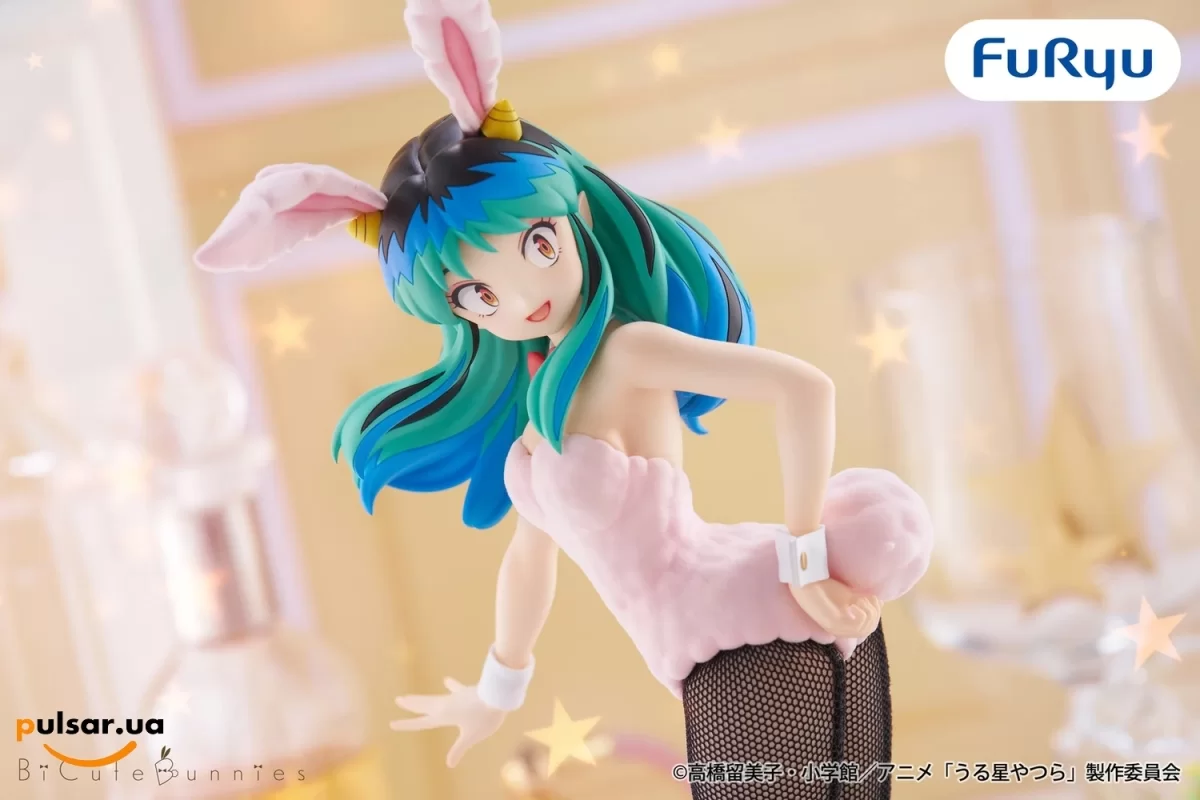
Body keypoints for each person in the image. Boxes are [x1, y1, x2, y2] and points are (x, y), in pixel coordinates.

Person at [194, 1, 934, 796]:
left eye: (537, 244)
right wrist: (496, 689)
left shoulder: (625, 351)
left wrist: (805, 560)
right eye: (478, 294)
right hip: (701, 638)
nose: (522, 297)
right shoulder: (542, 400)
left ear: (575, 209)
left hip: (740, 621)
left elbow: (804, 388)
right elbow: (529, 559)